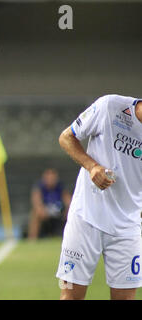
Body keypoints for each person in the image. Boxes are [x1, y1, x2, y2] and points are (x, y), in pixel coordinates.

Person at [56, 94, 142, 300]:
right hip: (85, 218)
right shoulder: (109, 106)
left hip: (127, 228)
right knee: (70, 297)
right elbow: (66, 137)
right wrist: (92, 166)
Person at [27, 168, 71, 240]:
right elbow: (36, 201)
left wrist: (68, 210)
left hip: (59, 211)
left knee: (71, 215)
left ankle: (69, 239)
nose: (50, 179)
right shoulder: (39, 187)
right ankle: (32, 239)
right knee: (35, 214)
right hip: (45, 211)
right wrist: (41, 210)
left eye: (52, 177)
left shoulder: (60, 187)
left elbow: (68, 200)